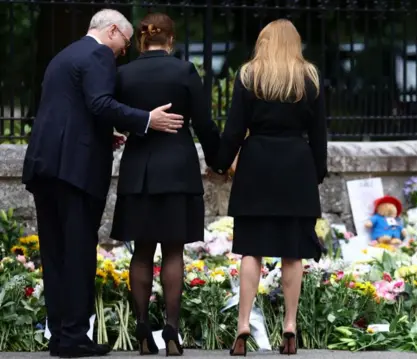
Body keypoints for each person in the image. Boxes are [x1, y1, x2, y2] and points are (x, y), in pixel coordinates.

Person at [22, 8, 184, 358]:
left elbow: (71, 110)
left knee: (55, 253)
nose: (123, 52)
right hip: (75, 171)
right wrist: (146, 119)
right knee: (79, 251)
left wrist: (103, 133)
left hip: (45, 164)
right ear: (112, 30)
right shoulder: (97, 55)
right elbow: (99, 102)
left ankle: (61, 335)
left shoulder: (64, 55)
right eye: (124, 44)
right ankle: (76, 337)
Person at [211, 19, 328, 356]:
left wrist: (221, 161)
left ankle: (243, 324)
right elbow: (319, 134)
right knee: (293, 253)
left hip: (256, 166)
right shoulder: (309, 78)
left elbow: (234, 129)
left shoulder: (249, 75)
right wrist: (316, 173)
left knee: (251, 250)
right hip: (296, 166)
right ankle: (290, 324)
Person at [109, 12, 220, 357]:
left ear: (141, 40)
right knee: (173, 250)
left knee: (142, 252)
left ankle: (143, 328)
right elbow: (204, 123)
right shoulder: (184, 71)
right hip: (177, 170)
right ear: (171, 40)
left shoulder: (123, 73)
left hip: (139, 170)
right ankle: (171, 330)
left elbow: (110, 113)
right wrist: (220, 161)